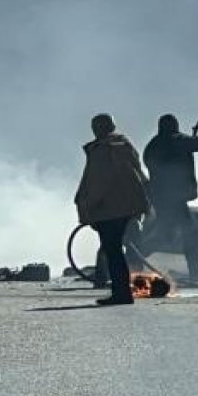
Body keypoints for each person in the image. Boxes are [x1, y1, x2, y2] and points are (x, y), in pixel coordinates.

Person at [74, 113, 150, 306]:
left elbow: (99, 183)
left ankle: (121, 293)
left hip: (109, 209)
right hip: (126, 207)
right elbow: (138, 175)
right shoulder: (124, 145)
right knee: (117, 251)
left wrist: (87, 206)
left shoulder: (104, 149)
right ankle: (123, 291)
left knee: (113, 252)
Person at [142, 114, 198, 278]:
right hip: (174, 199)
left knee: (169, 233)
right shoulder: (176, 141)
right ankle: (132, 257)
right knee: (185, 232)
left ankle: (132, 258)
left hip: (160, 197)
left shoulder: (153, 145)